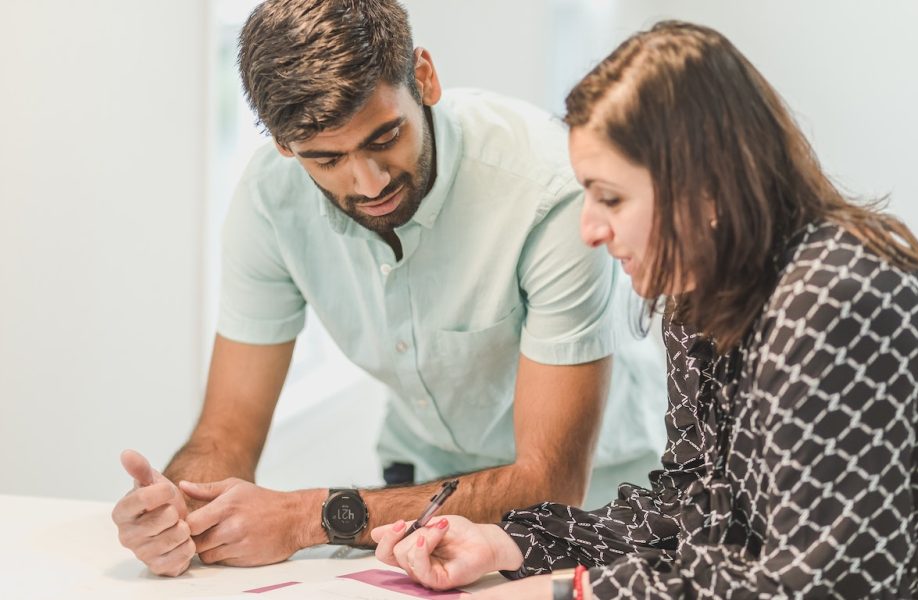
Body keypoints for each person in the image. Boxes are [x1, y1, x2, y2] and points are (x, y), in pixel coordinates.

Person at [371, 20, 918, 599]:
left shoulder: (833, 298)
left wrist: (584, 592)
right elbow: (691, 511)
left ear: (706, 191)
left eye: (611, 198)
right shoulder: (698, 299)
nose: (589, 229)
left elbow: (830, 584)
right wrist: (505, 546)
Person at [110, 0, 668, 578]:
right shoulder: (270, 200)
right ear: (283, 145)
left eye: (385, 137)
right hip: (417, 502)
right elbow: (225, 431)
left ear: (424, 77)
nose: (369, 182)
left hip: (602, 510)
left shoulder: (548, 193)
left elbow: (549, 483)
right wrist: (177, 509)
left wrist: (309, 516)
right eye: (327, 159)